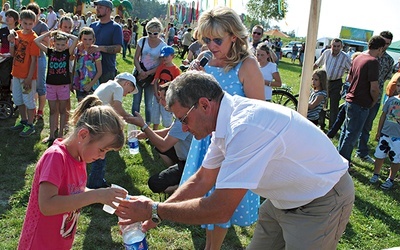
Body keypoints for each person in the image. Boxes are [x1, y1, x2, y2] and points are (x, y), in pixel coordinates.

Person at [116, 71, 355, 250]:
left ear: (204, 105)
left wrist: (157, 209)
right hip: (283, 201)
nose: (184, 129)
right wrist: (155, 214)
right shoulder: (224, 121)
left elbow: (220, 209)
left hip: (321, 201)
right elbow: (202, 179)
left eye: (184, 120)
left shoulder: (244, 128)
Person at [180, 6, 265, 249]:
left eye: (217, 40)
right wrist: (191, 81)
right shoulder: (205, 61)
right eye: (206, 39)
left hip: (231, 144)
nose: (211, 45)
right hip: (205, 141)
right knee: (206, 199)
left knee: (220, 203)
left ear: (234, 37)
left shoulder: (246, 66)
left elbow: (257, 113)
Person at [17, 95, 128, 250]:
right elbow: (47, 205)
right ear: (83, 135)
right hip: (39, 244)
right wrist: (96, 195)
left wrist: (105, 196)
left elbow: (74, 192)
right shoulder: (56, 157)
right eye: (102, 150)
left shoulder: (79, 158)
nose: (102, 156)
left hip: (58, 243)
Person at [125, 82, 193, 194]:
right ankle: (179, 174)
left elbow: (163, 145)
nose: (160, 102)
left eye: (163, 98)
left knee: (155, 183)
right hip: (186, 157)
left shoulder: (183, 119)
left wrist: (144, 126)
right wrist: (145, 134)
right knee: (156, 144)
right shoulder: (182, 113)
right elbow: (169, 131)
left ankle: (185, 185)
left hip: (190, 162)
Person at [337, 36, 386, 166]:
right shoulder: (373, 61)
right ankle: (342, 164)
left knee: (345, 131)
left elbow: (349, 79)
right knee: (352, 136)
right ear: (380, 48)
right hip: (361, 102)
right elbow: (374, 88)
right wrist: (374, 101)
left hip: (350, 99)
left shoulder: (358, 57)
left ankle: (338, 159)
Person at [86, 73, 138, 189]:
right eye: (128, 92)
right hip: (99, 122)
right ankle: (95, 183)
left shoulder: (106, 84)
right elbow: (117, 108)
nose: (125, 95)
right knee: (100, 154)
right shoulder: (118, 87)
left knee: (91, 151)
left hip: (91, 119)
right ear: (127, 83)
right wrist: (129, 117)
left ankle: (90, 180)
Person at [355, 31, 395, 164]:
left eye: (388, 44)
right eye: (383, 42)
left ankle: (362, 151)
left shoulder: (389, 60)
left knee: (367, 125)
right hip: (361, 95)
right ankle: (349, 149)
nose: (385, 46)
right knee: (354, 125)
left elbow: (385, 78)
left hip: (376, 97)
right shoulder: (367, 55)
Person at [34, 30, 78, 145]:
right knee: (53, 110)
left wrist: (66, 34)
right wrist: (49, 33)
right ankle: (51, 135)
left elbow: (76, 39)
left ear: (66, 44)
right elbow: (36, 41)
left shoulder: (67, 53)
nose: (60, 47)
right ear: (53, 43)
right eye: (58, 44)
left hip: (63, 85)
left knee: (63, 110)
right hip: (51, 85)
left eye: (63, 44)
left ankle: (61, 135)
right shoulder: (50, 52)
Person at [8, 9, 40, 137]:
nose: (27, 26)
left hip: (27, 76)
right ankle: (24, 120)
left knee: (29, 100)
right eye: (25, 23)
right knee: (18, 99)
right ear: (20, 22)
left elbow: (33, 61)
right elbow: (12, 54)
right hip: (16, 73)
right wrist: (11, 41)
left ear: (34, 23)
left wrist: (28, 78)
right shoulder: (17, 34)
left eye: (30, 24)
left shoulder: (34, 39)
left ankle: (31, 124)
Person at [131, 17, 166, 129]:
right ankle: (134, 126)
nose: (152, 35)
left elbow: (161, 64)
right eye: (149, 32)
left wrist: (148, 73)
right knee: (136, 101)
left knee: (148, 104)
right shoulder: (142, 41)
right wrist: (141, 71)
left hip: (152, 77)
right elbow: (136, 58)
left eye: (155, 33)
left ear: (159, 32)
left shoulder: (162, 45)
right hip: (139, 73)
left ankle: (147, 127)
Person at [369, 78, 400, 190]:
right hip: (385, 134)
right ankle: (376, 174)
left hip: (398, 138)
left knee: (395, 159)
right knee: (379, 155)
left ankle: (390, 179)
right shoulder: (391, 100)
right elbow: (383, 116)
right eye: (399, 85)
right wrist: (379, 131)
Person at [313, 38, 351, 129]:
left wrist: (347, 80)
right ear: (331, 45)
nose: (336, 48)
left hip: (336, 83)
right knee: (321, 103)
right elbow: (317, 64)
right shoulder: (326, 53)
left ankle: (332, 127)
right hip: (324, 81)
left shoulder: (345, 57)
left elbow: (351, 70)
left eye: (338, 46)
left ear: (341, 47)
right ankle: (320, 124)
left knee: (334, 106)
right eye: (334, 46)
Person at [327, 52, 362, 138]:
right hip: (348, 96)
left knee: (343, 117)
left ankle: (332, 134)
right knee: (340, 117)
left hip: (353, 99)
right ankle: (331, 134)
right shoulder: (352, 71)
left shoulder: (359, 73)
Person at [89, 0, 122, 83]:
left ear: (108, 10)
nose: (97, 9)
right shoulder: (92, 26)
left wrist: (99, 48)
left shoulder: (116, 27)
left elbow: (118, 48)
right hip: (90, 69)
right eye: (97, 7)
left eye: (100, 7)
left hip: (107, 70)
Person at [27, 2, 49, 121]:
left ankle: (40, 110)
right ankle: (33, 109)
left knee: (40, 86)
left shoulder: (42, 26)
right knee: (31, 86)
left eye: (34, 14)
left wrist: (34, 41)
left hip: (39, 58)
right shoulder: (26, 25)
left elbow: (47, 43)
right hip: (29, 59)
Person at [151, 46, 179, 130]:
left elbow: (176, 86)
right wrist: (156, 94)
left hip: (167, 97)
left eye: (166, 56)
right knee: (155, 115)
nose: (164, 58)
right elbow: (156, 81)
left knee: (167, 117)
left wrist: (168, 98)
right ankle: (154, 132)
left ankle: (167, 135)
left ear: (172, 56)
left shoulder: (175, 70)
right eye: (163, 56)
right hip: (158, 95)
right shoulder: (161, 67)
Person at [73, 27, 102, 102]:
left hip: (91, 84)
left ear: (93, 40)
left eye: (90, 39)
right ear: (81, 39)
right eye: (84, 39)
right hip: (79, 82)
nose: (87, 42)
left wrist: (90, 85)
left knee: (91, 106)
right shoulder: (77, 50)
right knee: (81, 106)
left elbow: (99, 71)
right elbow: (74, 66)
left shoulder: (95, 52)